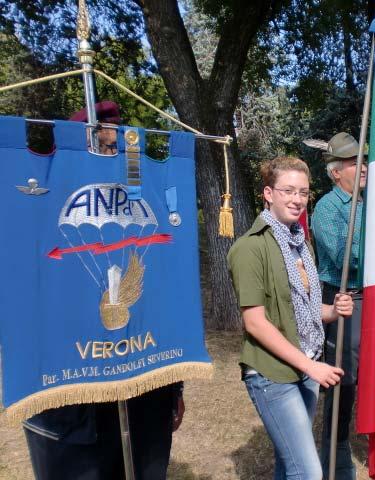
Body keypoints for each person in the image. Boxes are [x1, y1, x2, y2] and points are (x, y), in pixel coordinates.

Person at [23, 102, 185, 480]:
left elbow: (164, 311)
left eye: (117, 150)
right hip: (75, 409)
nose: (111, 158)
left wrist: (173, 387)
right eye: (101, 148)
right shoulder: (39, 211)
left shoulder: (149, 207)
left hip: (144, 397)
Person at [227, 156, 353, 479]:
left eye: (304, 192)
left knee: (290, 463)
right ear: (268, 193)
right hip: (273, 374)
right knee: (308, 472)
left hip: (305, 368)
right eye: (289, 191)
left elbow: (307, 312)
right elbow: (254, 323)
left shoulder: (300, 243)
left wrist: (332, 311)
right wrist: (310, 366)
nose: (297, 200)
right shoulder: (249, 249)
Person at [310, 132, 366, 480]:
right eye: (352, 162)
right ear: (335, 172)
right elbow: (351, 257)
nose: (362, 168)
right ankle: (335, 446)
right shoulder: (326, 209)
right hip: (341, 297)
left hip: (371, 296)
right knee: (341, 377)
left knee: (370, 372)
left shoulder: (369, 204)